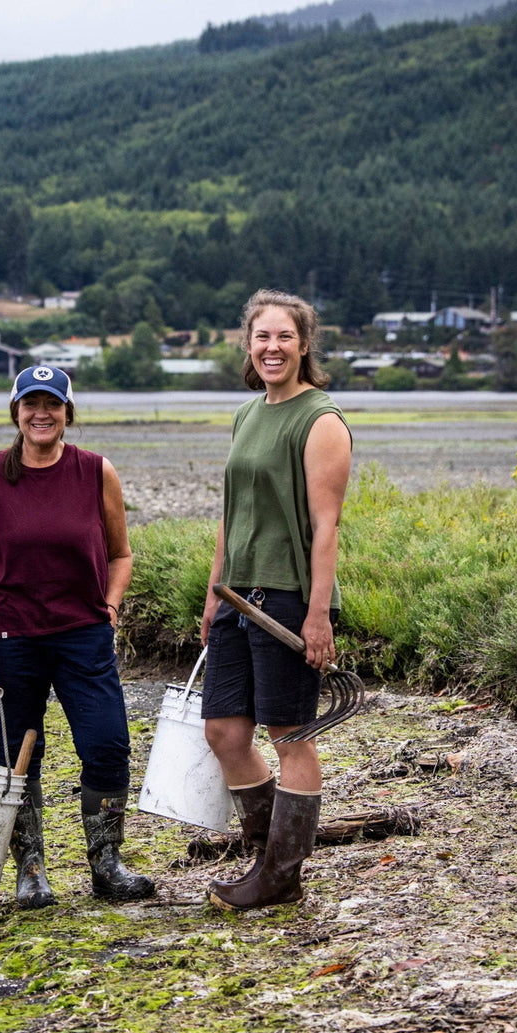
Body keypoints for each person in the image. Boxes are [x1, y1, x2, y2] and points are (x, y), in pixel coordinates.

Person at [0, 364, 154, 909]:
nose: (41, 414)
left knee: (108, 742)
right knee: (17, 750)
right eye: (30, 404)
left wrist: (110, 606)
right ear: (16, 412)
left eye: (52, 404)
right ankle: (31, 868)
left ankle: (107, 864)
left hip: (83, 636)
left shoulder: (95, 472)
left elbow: (121, 553)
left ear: (69, 412)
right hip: (11, 638)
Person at [200, 288, 352, 912]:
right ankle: (263, 853)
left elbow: (326, 526)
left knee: (291, 735)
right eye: (262, 336)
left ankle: (281, 875)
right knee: (223, 731)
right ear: (248, 344)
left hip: (287, 598)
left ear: (304, 344)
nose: (272, 347)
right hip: (237, 597)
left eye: (285, 336)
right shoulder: (246, 414)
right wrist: (214, 595)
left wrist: (318, 613)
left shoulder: (320, 420)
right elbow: (230, 514)